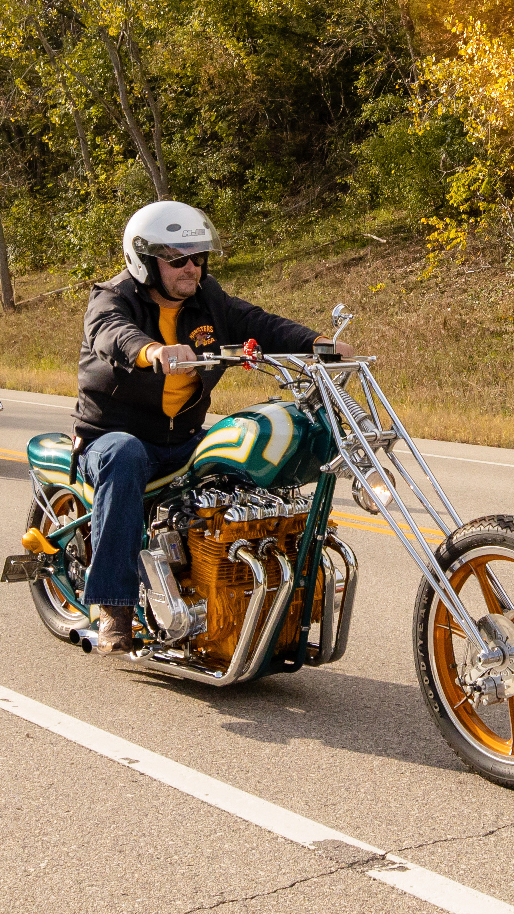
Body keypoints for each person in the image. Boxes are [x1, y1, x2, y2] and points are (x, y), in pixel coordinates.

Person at [69, 201, 334, 650]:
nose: (191, 267)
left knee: (246, 454)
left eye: (196, 257)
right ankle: (113, 607)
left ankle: (241, 593)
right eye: (177, 259)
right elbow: (111, 332)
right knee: (125, 455)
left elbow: (257, 323)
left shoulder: (208, 298)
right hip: (111, 435)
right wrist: (152, 351)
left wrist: (318, 343)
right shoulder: (112, 297)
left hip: (183, 437)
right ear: (145, 261)